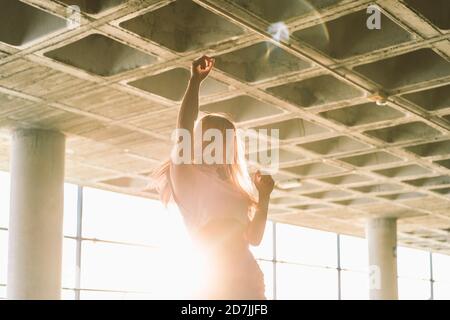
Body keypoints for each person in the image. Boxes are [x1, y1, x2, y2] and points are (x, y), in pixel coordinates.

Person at [153, 55, 274, 299]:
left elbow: (254, 237)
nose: (219, 144)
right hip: (214, 283)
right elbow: (184, 129)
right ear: (201, 141)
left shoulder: (236, 187)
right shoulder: (188, 176)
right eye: (212, 137)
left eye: (225, 139)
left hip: (249, 281)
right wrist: (195, 82)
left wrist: (264, 197)